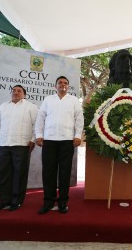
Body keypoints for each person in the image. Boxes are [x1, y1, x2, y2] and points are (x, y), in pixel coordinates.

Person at [35, 76, 84, 214]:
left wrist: (77, 135)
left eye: (65, 83)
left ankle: (62, 202)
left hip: (67, 141)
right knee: (48, 172)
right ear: (55, 86)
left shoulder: (74, 101)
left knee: (64, 172)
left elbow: (79, 119)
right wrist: (39, 135)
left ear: (68, 86)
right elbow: (40, 118)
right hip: (49, 140)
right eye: (60, 83)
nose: (63, 85)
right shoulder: (48, 100)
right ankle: (48, 202)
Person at [0, 85, 39, 211]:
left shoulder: (31, 107)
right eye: (13, 90)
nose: (16, 92)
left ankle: (16, 201)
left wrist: (33, 140)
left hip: (22, 145)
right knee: (4, 174)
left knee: (19, 174)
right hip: (4, 144)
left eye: (19, 91)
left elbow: (37, 124)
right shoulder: (3, 106)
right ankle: (4, 201)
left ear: (24, 94)